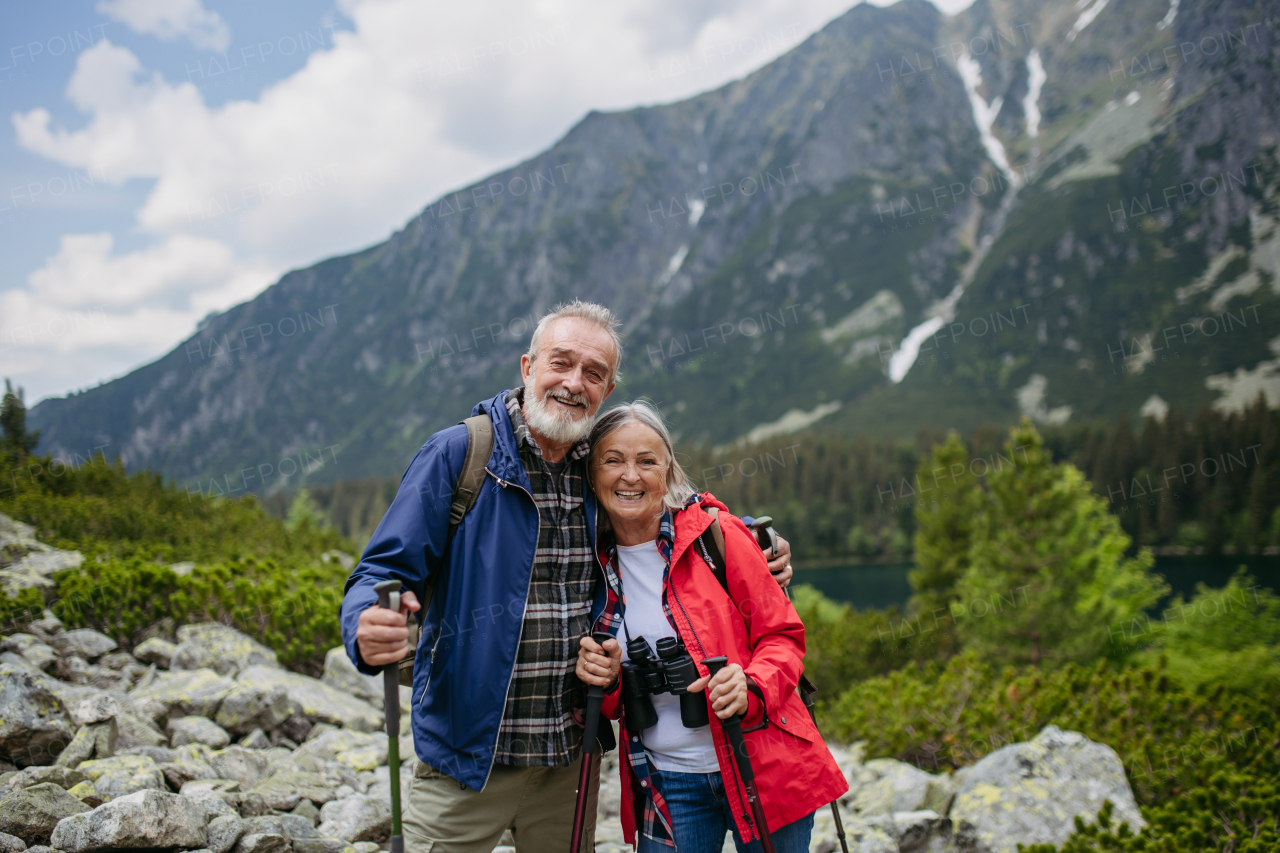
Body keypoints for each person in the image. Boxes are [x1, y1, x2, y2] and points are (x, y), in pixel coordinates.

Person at [340, 301, 795, 853]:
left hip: (569, 761)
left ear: (605, 390)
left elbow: (668, 511)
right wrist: (366, 623)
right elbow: (382, 569)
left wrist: (753, 540)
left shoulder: (598, 465)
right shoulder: (462, 455)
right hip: (468, 758)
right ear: (528, 367)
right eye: (562, 363)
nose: (574, 383)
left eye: (594, 373)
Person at [576, 402, 847, 852]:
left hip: (762, 764)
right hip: (666, 779)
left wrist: (752, 687)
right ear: (592, 474)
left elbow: (781, 634)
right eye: (612, 460)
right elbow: (608, 701)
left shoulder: (714, 536)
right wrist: (601, 681)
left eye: (647, 461)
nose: (630, 476)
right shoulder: (589, 565)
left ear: (668, 471)